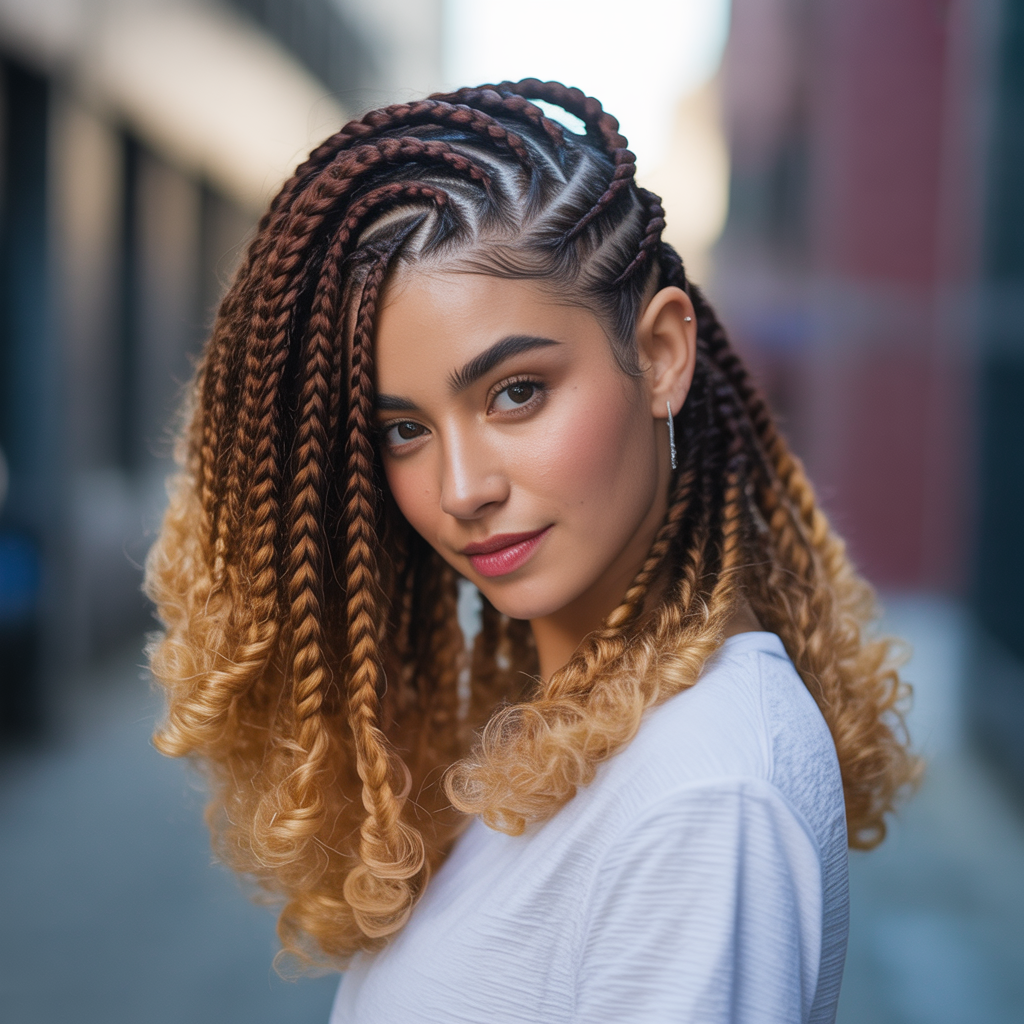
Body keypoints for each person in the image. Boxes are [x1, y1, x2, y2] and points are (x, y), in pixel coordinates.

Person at [144, 80, 917, 1023]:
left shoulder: (705, 799)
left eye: (515, 393)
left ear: (665, 354)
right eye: (403, 430)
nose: (462, 488)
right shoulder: (559, 738)